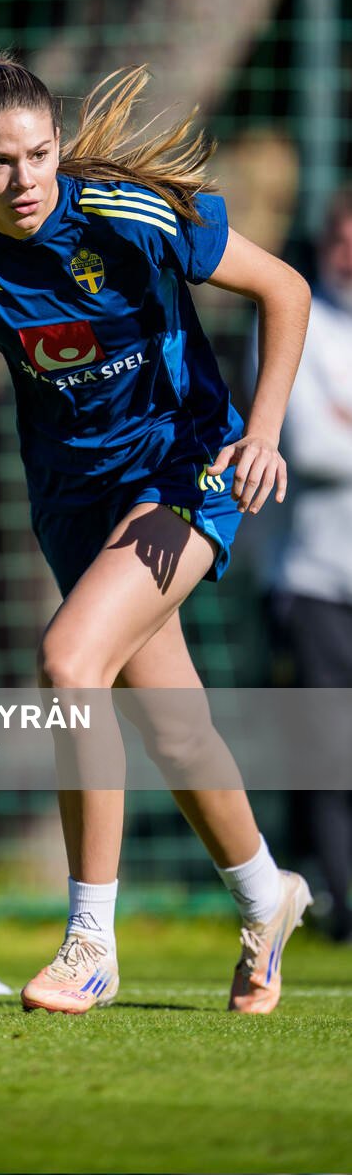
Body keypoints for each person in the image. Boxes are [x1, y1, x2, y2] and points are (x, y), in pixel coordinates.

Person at [0, 52, 312, 1013]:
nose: (24, 179)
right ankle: (265, 896)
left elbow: (283, 289)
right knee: (173, 725)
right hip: (71, 494)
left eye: (39, 154)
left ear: (56, 149)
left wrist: (261, 432)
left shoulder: (127, 214)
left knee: (68, 660)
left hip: (185, 467)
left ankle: (89, 940)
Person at [272, 188, 352, 943]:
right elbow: (314, 449)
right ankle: (339, 905)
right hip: (314, 579)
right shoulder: (303, 329)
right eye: (340, 238)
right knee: (328, 752)